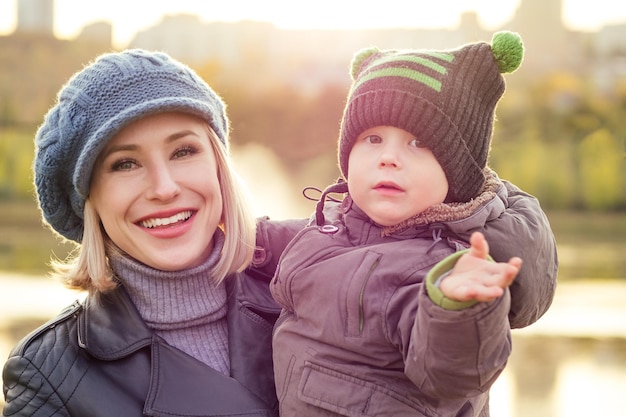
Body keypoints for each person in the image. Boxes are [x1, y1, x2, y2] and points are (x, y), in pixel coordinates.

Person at [269, 31, 541, 416]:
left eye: (418, 143)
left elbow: (453, 372)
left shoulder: (434, 265)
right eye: (373, 138)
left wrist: (456, 308)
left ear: (458, 173)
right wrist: (246, 236)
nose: (389, 158)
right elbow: (303, 243)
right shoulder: (343, 226)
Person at [2, 50, 281, 417]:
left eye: (183, 151)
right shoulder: (50, 377)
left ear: (218, 167)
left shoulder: (308, 295)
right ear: (90, 201)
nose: (164, 188)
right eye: (125, 164)